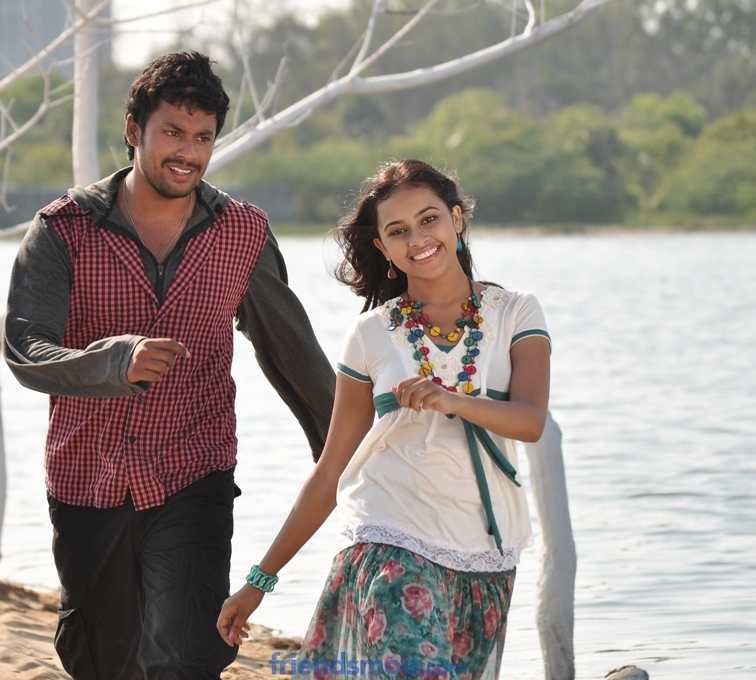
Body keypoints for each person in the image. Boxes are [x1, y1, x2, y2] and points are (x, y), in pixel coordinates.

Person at [3, 51, 334, 680]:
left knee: (186, 652)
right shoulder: (63, 230)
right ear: (134, 130)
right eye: (173, 132)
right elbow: (26, 351)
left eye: (203, 137)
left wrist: (350, 451)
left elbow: (293, 352)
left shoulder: (241, 233)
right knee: (101, 658)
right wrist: (114, 361)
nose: (188, 152)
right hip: (86, 478)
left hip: (194, 470)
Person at [217, 159, 551, 679]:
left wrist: (452, 400)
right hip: (389, 535)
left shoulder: (516, 312)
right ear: (383, 248)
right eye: (398, 231)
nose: (418, 238)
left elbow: (529, 422)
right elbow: (332, 470)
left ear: (457, 219)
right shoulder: (372, 332)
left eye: (429, 219)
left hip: (486, 549)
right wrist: (260, 580)